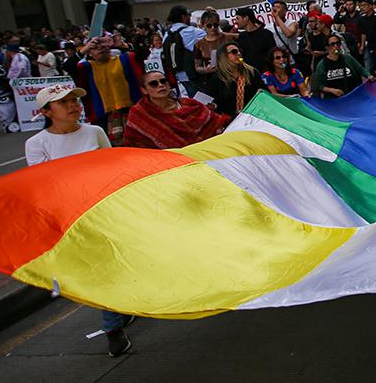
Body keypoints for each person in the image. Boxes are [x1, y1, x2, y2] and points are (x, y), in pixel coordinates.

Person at [24, 84, 134, 357]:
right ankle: (113, 326)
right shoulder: (36, 144)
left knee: (117, 263)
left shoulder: (95, 132)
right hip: (72, 218)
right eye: (64, 103)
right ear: (47, 112)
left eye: (75, 100)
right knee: (99, 270)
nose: (74, 105)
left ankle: (118, 316)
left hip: (105, 210)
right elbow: (44, 186)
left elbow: (113, 169)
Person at [122, 70, 231, 148]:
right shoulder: (139, 113)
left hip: (204, 155)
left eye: (163, 81)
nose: (160, 85)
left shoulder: (191, 105)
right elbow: (134, 144)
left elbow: (217, 123)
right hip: (168, 166)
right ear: (144, 90)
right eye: (153, 84)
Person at [76, 35, 144, 142]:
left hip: (130, 109)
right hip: (103, 115)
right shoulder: (86, 68)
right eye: (95, 47)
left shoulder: (124, 60)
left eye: (103, 46)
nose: (100, 49)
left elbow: (143, 54)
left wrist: (123, 46)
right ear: (89, 52)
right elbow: (68, 66)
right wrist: (83, 49)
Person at [201, 43, 263, 117]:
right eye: (234, 52)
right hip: (229, 121)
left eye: (239, 51)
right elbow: (214, 102)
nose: (239, 53)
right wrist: (213, 106)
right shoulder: (216, 78)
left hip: (253, 117)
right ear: (224, 56)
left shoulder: (252, 72)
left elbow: (263, 93)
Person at [310, 34, 367, 98]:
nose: (336, 46)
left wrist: (369, 76)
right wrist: (331, 90)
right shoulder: (322, 64)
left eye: (338, 43)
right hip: (333, 101)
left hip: (351, 96)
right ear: (327, 47)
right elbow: (318, 85)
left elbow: (360, 69)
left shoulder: (348, 59)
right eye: (332, 44)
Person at [232, 8, 277, 74]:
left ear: (246, 18)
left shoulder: (266, 34)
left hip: (268, 74)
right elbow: (241, 57)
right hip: (250, 74)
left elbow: (274, 53)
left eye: (237, 18)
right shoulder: (241, 37)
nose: (235, 21)